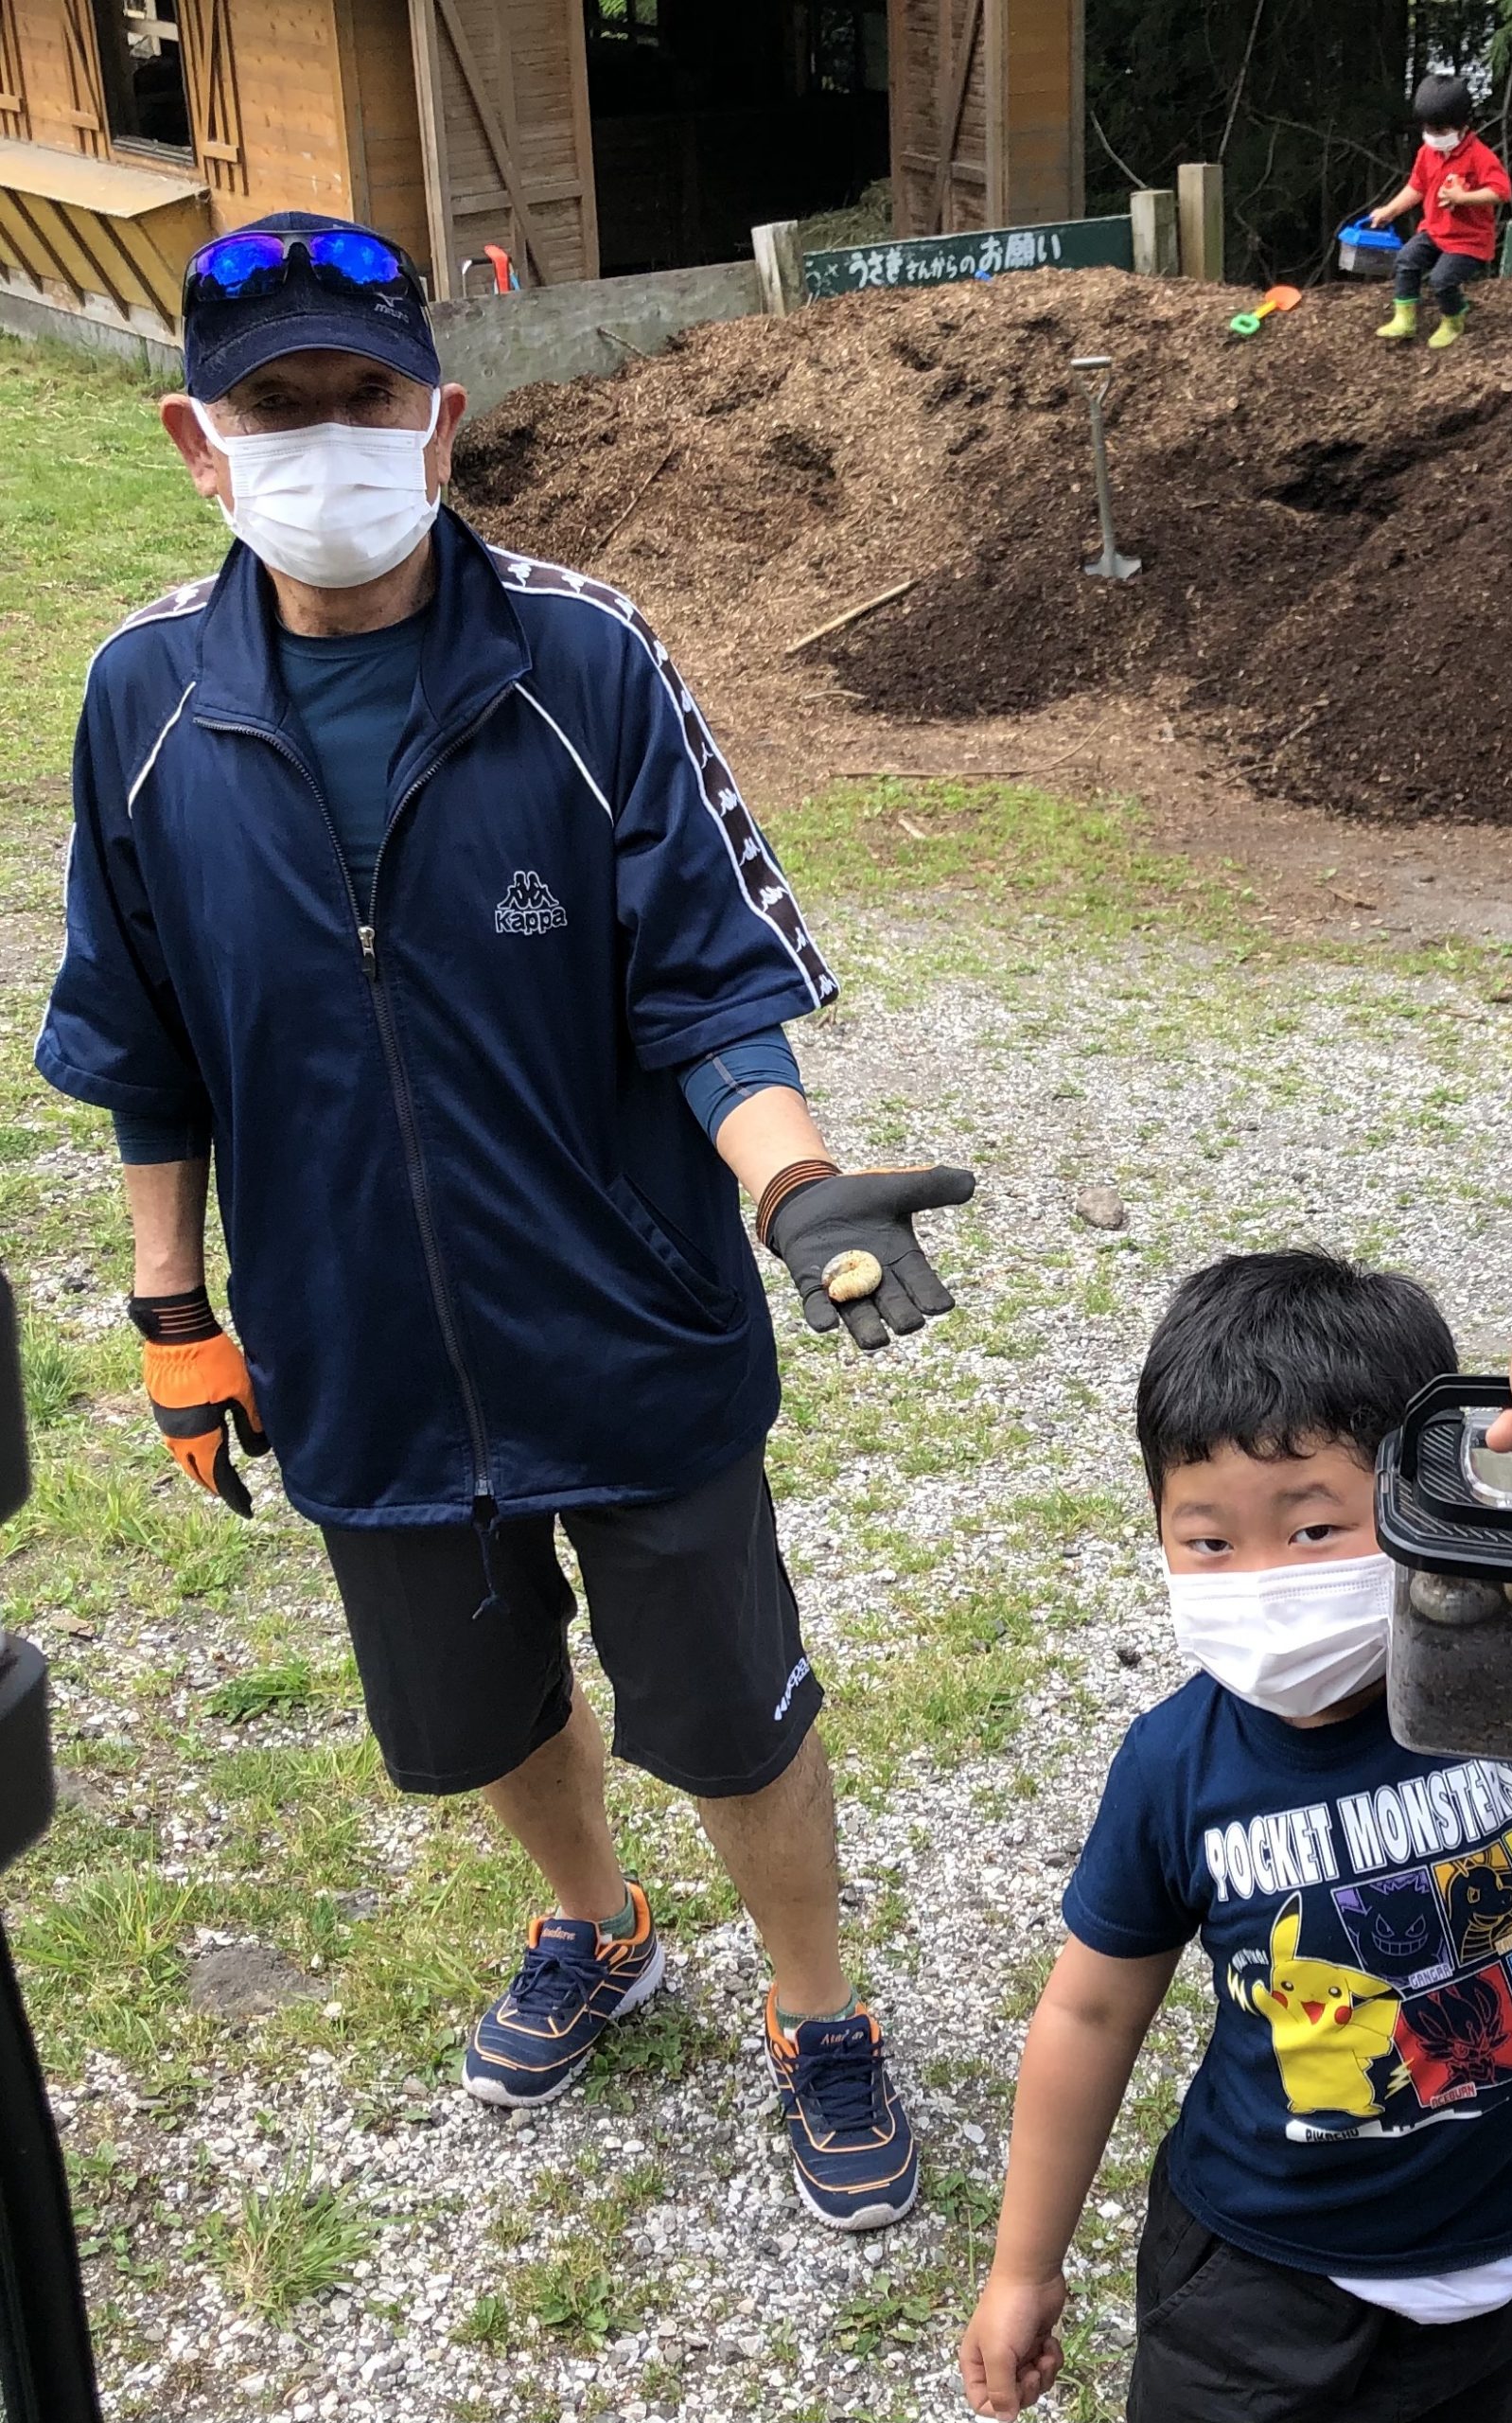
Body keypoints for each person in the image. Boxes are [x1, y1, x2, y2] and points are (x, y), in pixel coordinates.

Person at [36, 211, 976, 2235]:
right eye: (274, 408)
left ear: (440, 420)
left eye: (363, 396)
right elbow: (145, 1043)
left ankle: (818, 2011)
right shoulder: (142, 700)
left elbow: (711, 991)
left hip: (625, 1319)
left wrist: (794, 1181)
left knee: (729, 1711)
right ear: (198, 446)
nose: (325, 440)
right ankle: (597, 1919)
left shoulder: (587, 658)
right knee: (477, 1712)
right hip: (355, 1342)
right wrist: (173, 1315)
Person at [959, 1250, 1512, 2420]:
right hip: (1263, 2286)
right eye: (1207, 1542)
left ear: (1429, 1493)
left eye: (1312, 1529)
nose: (1260, 1582)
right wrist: (1021, 2265)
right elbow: (1089, 2010)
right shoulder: (1176, 1764)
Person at [1370, 74, 1512, 349]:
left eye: (1441, 132)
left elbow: (1501, 191)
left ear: (1462, 126)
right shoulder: (1427, 153)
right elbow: (1416, 187)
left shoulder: (1479, 156)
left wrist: (1464, 198)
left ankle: (1454, 319)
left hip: (1468, 240)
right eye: (1429, 130)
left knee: (1442, 280)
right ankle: (1405, 317)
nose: (1434, 138)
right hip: (1435, 231)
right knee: (1406, 259)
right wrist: (1390, 210)